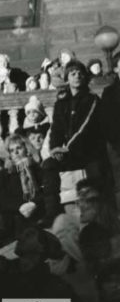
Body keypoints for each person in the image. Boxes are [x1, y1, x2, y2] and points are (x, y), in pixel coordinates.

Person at [43, 60, 113, 223]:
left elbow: (84, 127)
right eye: (73, 73)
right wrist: (55, 149)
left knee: (97, 175)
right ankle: (52, 212)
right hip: (69, 153)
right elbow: (57, 129)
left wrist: (67, 148)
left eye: (80, 73)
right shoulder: (61, 104)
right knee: (49, 165)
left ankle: (103, 216)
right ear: (67, 78)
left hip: (89, 152)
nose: (77, 76)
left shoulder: (92, 100)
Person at [0, 134, 44, 239]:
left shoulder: (38, 170)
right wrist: (21, 206)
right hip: (15, 221)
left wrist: (34, 203)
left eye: (18, 148)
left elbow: (46, 190)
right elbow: (0, 199)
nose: (15, 153)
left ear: (27, 149)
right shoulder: (3, 175)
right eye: (11, 150)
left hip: (38, 215)